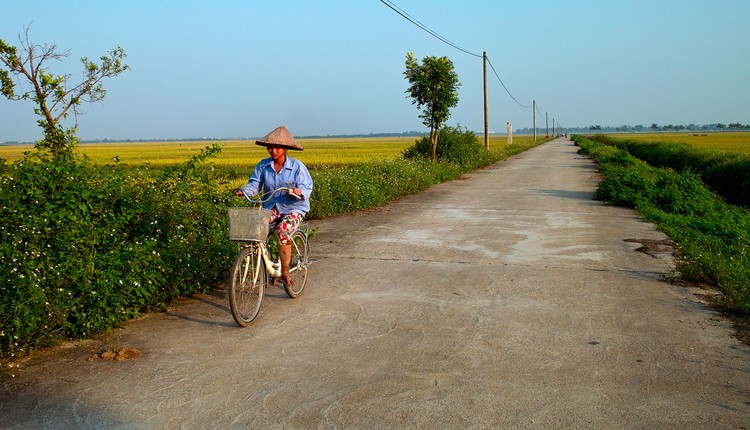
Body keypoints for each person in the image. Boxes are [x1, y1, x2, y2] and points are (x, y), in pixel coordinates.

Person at [235, 125, 313, 288]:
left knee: (282, 231)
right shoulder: (263, 166)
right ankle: (266, 263)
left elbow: (306, 187)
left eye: (277, 147)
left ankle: (285, 272)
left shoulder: (297, 166)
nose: (273, 150)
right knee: (256, 230)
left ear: (285, 149)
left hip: (294, 207)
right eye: (270, 147)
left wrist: (299, 191)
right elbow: (253, 185)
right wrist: (244, 192)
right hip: (273, 206)